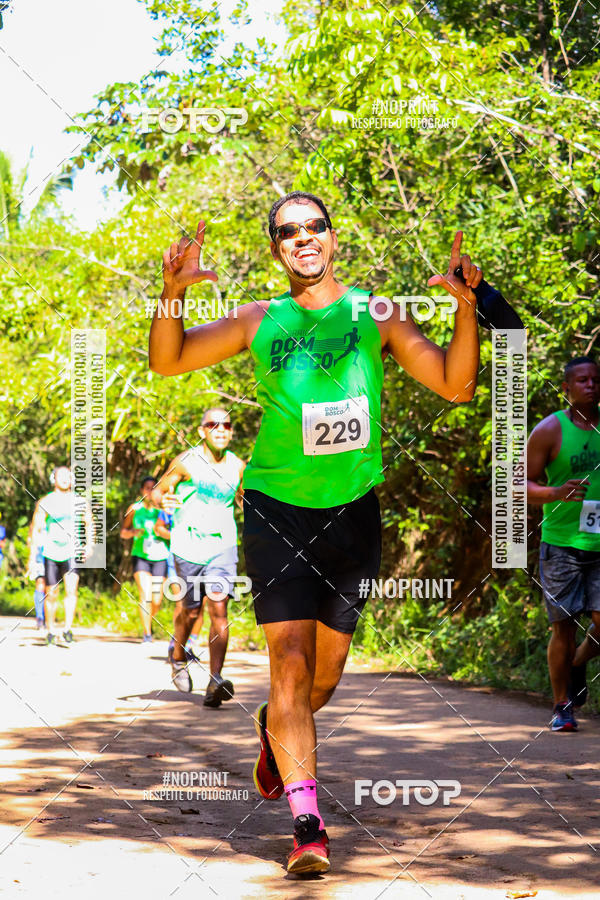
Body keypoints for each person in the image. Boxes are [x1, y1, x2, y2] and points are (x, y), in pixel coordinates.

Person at [149, 191, 482, 873]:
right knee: (291, 666)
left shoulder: (376, 315)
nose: (302, 238)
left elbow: (456, 385)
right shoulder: (257, 320)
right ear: (276, 247)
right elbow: (168, 360)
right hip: (276, 509)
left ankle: (276, 738)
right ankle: (308, 824)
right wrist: (173, 294)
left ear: (333, 238)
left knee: (322, 679)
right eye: (287, 231)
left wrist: (467, 310)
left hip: (353, 514)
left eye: (314, 227)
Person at [151, 409, 245, 707]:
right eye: (214, 425)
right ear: (202, 430)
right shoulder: (186, 461)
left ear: (231, 432)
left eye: (227, 425)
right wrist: (162, 499)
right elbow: (157, 491)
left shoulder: (238, 466)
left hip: (223, 544)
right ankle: (178, 656)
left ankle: (215, 680)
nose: (221, 430)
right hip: (187, 545)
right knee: (190, 612)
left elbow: (243, 499)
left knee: (219, 606)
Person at [527, 355, 600, 732]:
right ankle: (561, 706)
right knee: (564, 627)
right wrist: (556, 491)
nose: (591, 385)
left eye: (596, 380)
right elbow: (518, 484)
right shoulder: (549, 430)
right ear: (566, 388)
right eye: (582, 380)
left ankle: (576, 664)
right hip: (562, 545)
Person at [31, 465, 91, 645]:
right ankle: (50, 630)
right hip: (50, 551)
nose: (65, 479)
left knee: (72, 590)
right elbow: (37, 528)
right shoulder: (45, 501)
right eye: (61, 476)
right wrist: (33, 556)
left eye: (68, 476)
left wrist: (89, 545)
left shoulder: (79, 501)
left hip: (72, 551)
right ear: (54, 479)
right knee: (52, 593)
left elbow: (89, 522)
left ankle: (67, 629)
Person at [154, 484, 205, 663]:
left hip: (204, 557)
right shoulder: (175, 502)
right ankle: (174, 644)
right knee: (182, 602)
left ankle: (189, 645)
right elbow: (158, 528)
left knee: (201, 606)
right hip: (178, 558)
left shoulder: (210, 504)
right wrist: (175, 534)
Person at [120, 476, 169, 643]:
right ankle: (147, 634)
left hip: (161, 556)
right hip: (140, 555)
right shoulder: (135, 508)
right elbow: (123, 532)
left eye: (152, 488)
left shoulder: (164, 509)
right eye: (146, 488)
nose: (149, 491)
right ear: (141, 490)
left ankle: (148, 620)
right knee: (145, 595)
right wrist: (134, 533)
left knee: (156, 599)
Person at [26, 498, 46, 629]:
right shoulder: (36, 523)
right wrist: (31, 558)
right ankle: (40, 616)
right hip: (40, 552)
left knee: (50, 586)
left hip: (55, 553)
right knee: (40, 582)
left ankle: (46, 615)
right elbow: (30, 539)